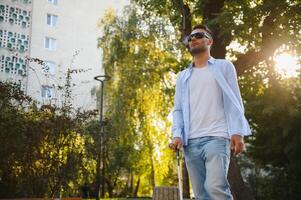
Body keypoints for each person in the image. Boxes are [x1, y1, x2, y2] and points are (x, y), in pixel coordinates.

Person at [169, 24, 251, 200]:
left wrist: (237, 132)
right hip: (190, 142)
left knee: (216, 188)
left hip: (217, 137)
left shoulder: (224, 67)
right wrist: (177, 134)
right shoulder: (182, 76)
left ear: (210, 41)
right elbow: (178, 110)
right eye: (190, 38)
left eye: (198, 35)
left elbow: (234, 100)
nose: (193, 39)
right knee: (201, 195)